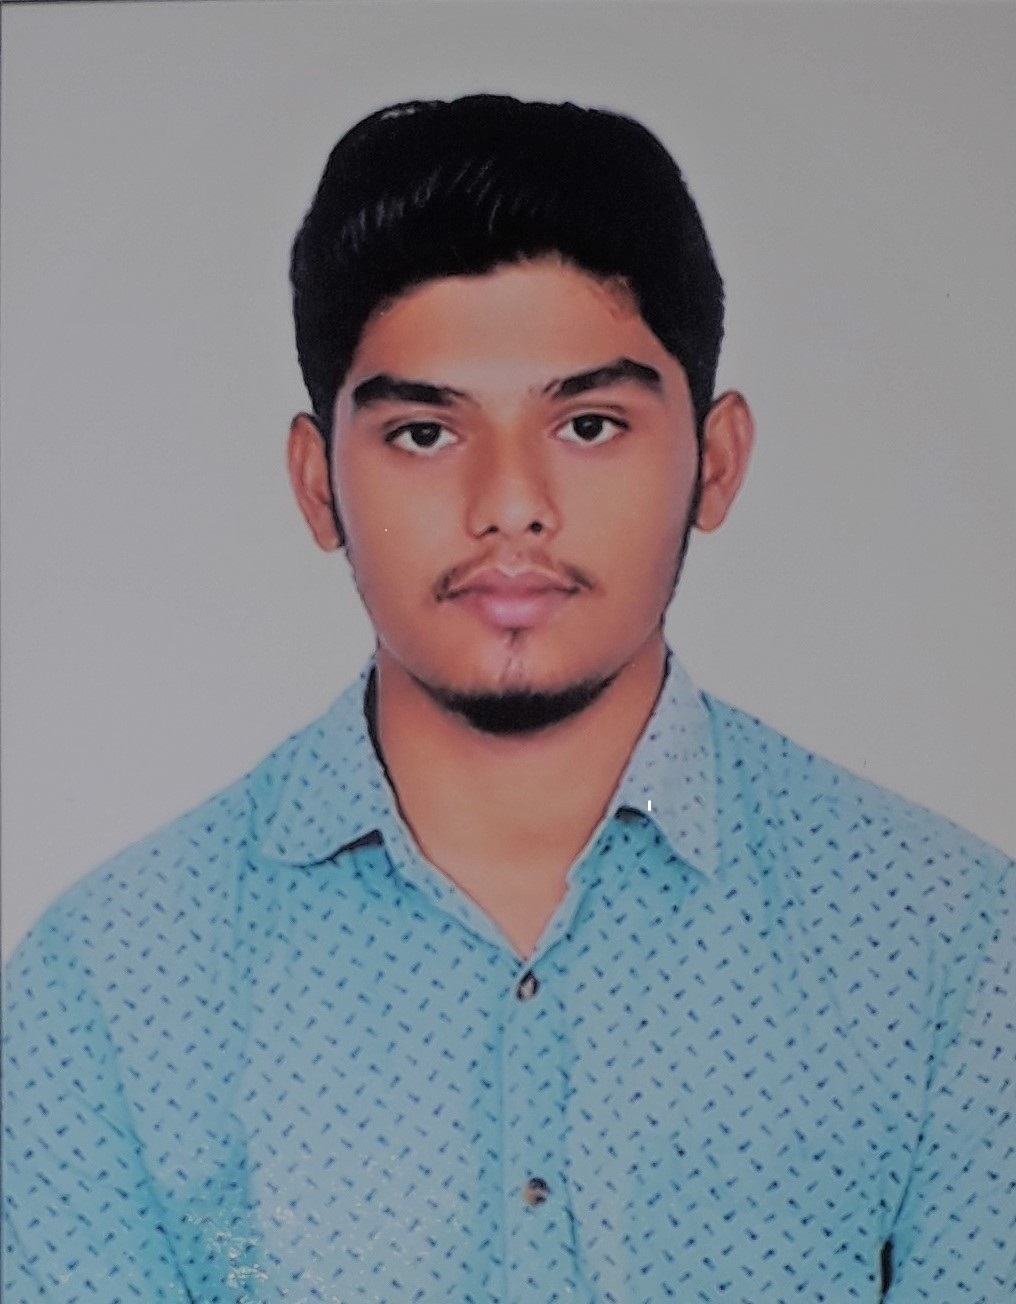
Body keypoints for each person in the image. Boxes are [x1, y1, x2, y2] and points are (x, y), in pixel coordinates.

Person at [3, 95, 1012, 1304]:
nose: (510, 504)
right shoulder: (110, 986)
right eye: (424, 433)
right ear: (318, 484)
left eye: (587, 423)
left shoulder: (947, 948)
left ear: (715, 459)